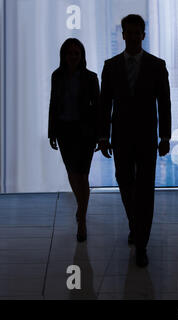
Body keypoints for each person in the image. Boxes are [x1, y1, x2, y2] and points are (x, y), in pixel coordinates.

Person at [98, 14, 171, 267]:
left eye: (136, 32)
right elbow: (104, 103)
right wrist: (103, 135)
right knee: (124, 181)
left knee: (145, 189)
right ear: (123, 35)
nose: (132, 36)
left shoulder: (156, 65)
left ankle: (141, 243)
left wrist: (165, 136)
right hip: (120, 135)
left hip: (148, 135)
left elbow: (164, 102)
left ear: (143, 34)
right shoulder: (111, 66)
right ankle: (135, 223)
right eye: (128, 32)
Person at [48, 38, 99, 242]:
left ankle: (83, 220)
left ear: (82, 56)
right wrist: (51, 131)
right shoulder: (57, 76)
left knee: (83, 175)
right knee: (72, 173)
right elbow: (53, 103)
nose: (73, 57)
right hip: (64, 131)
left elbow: (98, 107)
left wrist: (99, 134)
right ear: (64, 55)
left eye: (77, 53)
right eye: (70, 53)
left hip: (84, 132)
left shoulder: (90, 77)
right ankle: (81, 207)